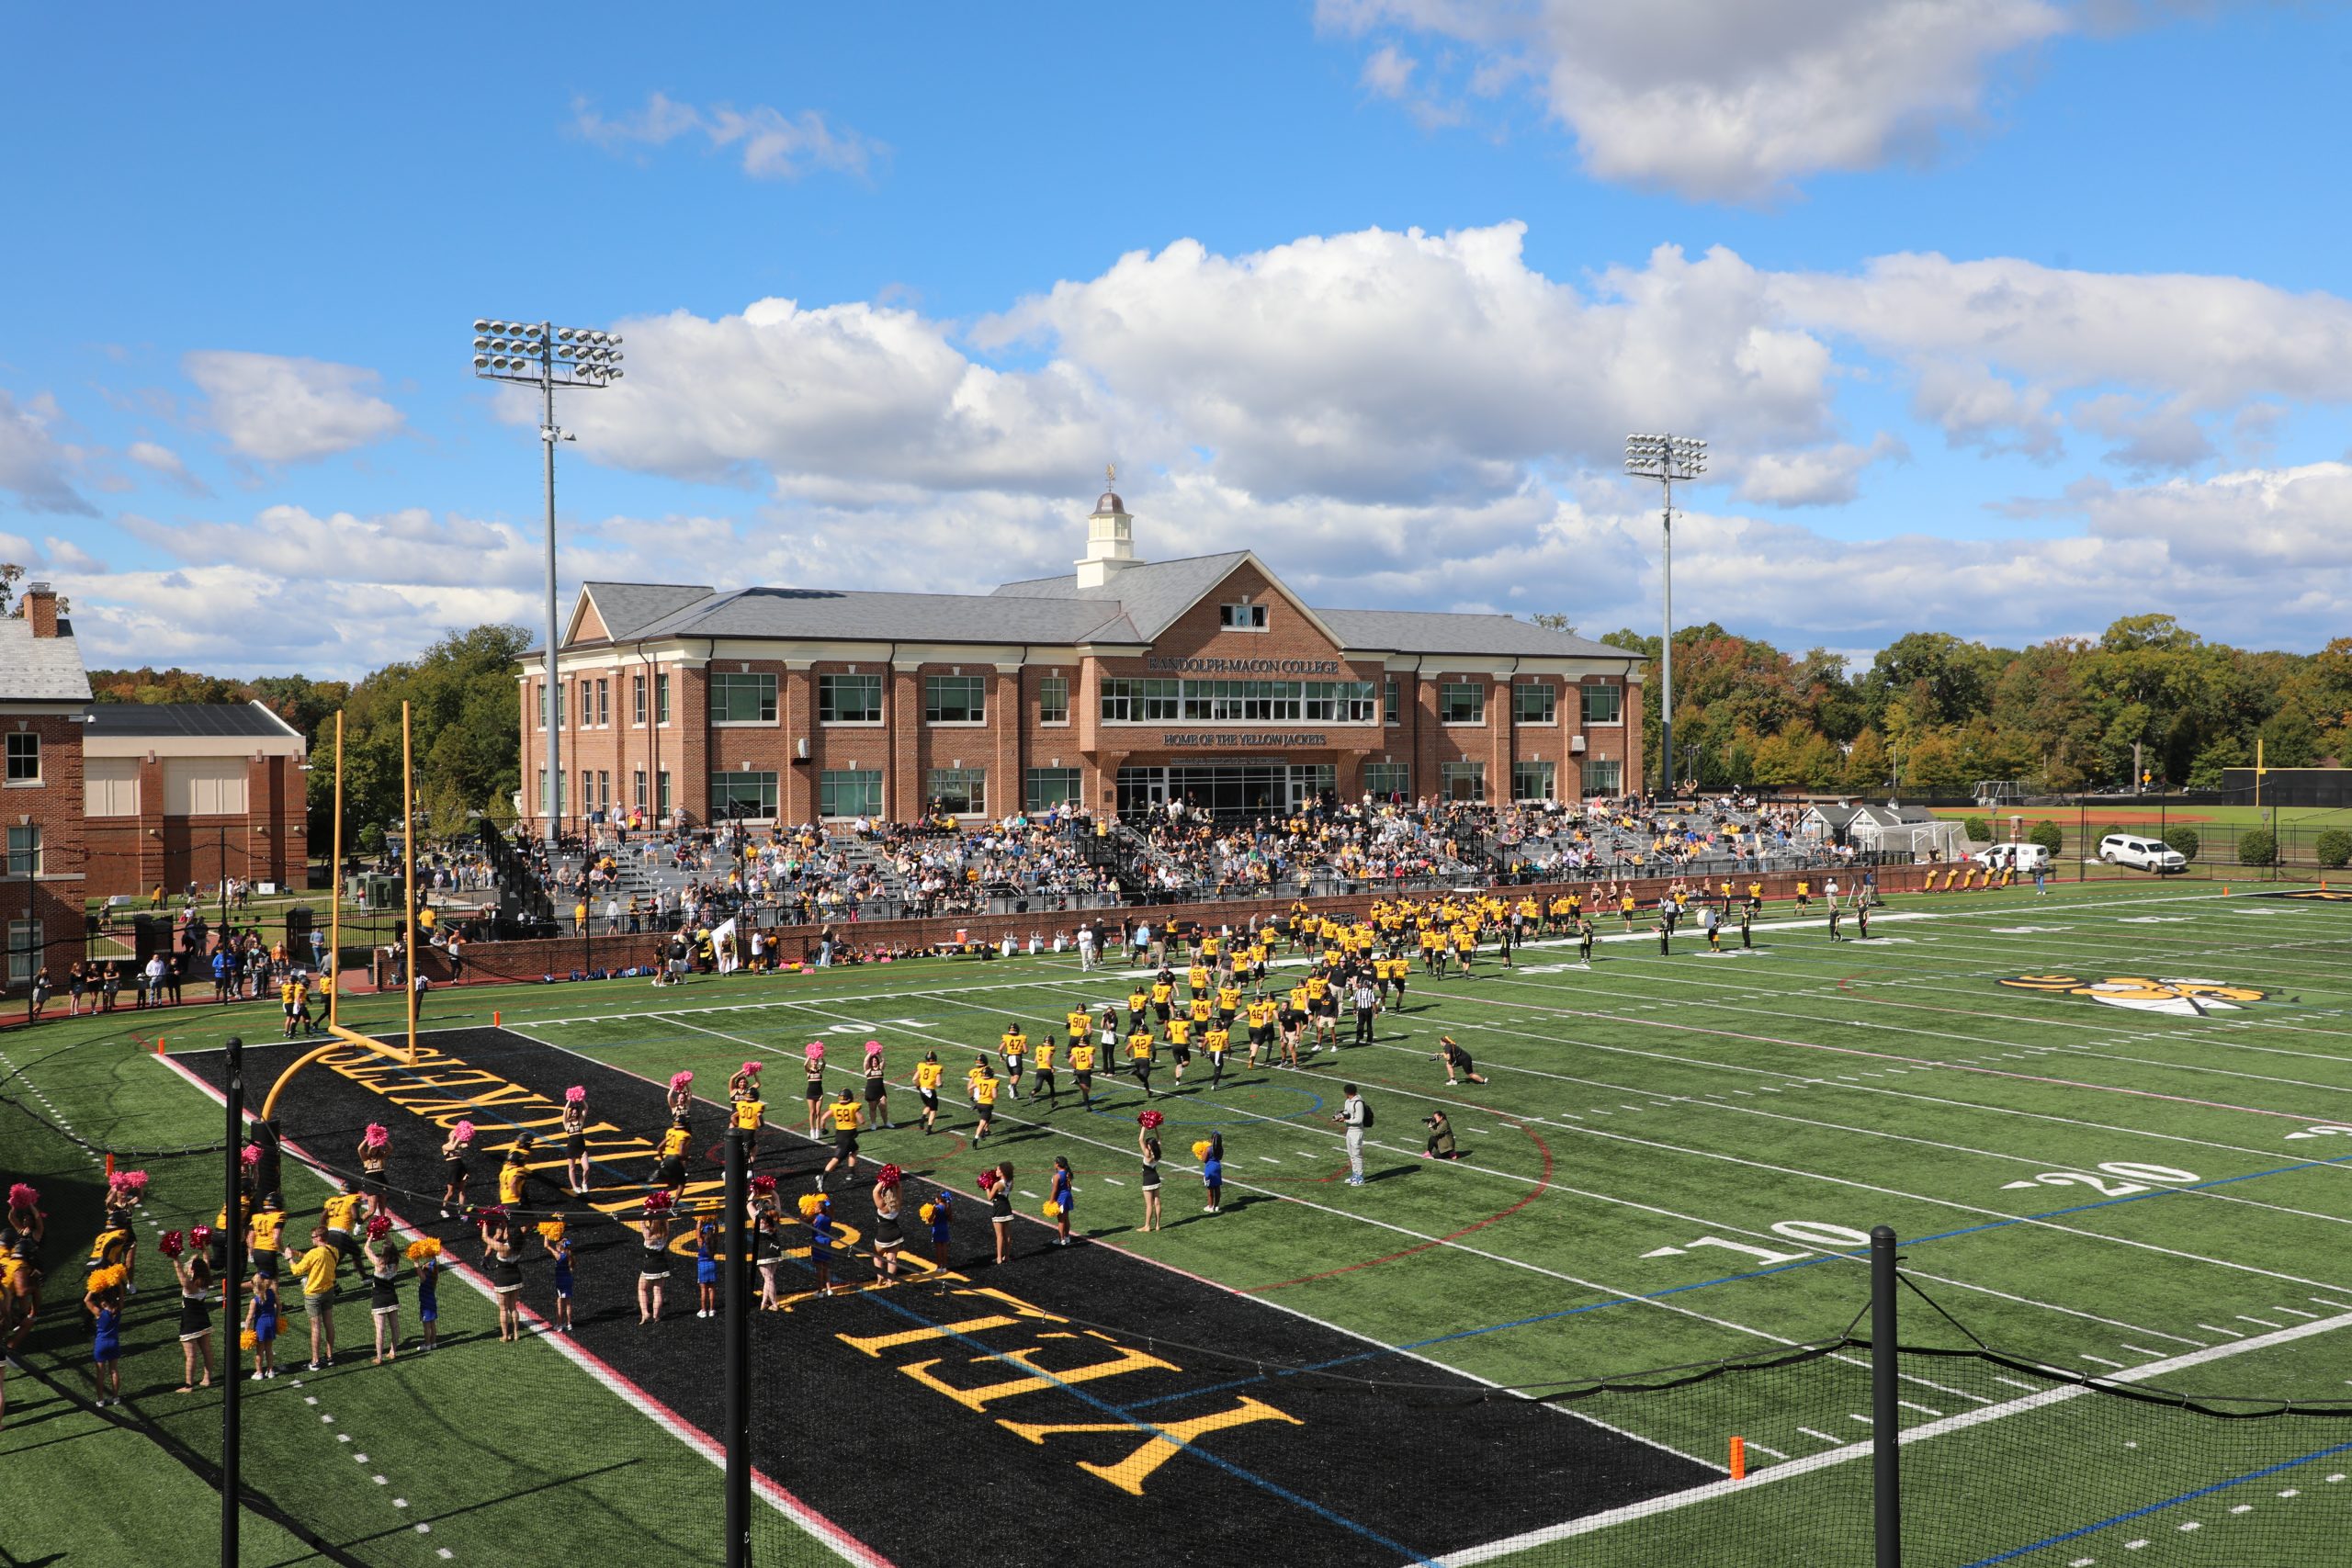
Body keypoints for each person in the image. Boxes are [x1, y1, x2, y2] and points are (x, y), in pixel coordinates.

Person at [169, 1235, 214, 1393]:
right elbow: (206, 1262)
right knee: (207, 1350)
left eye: (191, 1267)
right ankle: (207, 1379)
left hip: (190, 1323)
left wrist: (174, 1257)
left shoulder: (190, 1286)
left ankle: (188, 1385)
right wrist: (203, 1248)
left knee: (191, 1355)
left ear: (193, 1270)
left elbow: (180, 1275)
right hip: (203, 1320)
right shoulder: (205, 1280)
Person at [295, 1224, 340, 1370]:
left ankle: (315, 1361)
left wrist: (290, 1258)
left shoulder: (314, 1253)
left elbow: (297, 1270)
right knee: (329, 1322)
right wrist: (297, 1253)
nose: (311, 1240)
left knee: (315, 1326)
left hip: (314, 1294)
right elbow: (314, 1259)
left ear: (319, 1238)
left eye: (313, 1237)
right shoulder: (334, 1250)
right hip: (329, 1291)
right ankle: (330, 1356)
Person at [85, 1264, 125, 1406]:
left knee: (100, 1374)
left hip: (101, 1344)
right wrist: (118, 1284)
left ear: (102, 1301)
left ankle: (100, 1400)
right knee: (114, 1370)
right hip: (114, 1343)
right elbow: (121, 1295)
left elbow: (86, 1300)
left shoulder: (99, 1313)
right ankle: (115, 1398)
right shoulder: (118, 1309)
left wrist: (94, 1286)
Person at [366, 1217, 402, 1363]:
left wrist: (371, 1236)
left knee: (380, 1330)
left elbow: (366, 1249)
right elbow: (391, 1244)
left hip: (379, 1299)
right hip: (392, 1297)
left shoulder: (379, 1264)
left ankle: (379, 1357)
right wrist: (385, 1232)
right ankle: (393, 1351)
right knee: (395, 1326)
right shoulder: (395, 1264)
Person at [638, 1192, 673, 1324]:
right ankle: (656, 1316)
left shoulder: (649, 1236)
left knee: (642, 1289)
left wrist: (646, 1214)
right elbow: (665, 1221)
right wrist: (660, 1212)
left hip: (650, 1265)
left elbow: (642, 1223)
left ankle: (645, 1313)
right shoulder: (665, 1232)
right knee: (658, 1291)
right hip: (662, 1265)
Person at [820, 1089, 865, 1190]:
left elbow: (823, 1118)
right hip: (847, 1136)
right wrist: (856, 1113)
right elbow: (862, 1121)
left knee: (854, 1149)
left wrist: (823, 1129)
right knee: (836, 1159)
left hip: (839, 1134)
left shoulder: (835, 1107)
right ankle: (823, 1177)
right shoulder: (853, 1106)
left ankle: (851, 1173)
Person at [243, 1267, 281, 1379]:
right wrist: (278, 1317)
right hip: (272, 1323)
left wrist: (246, 1330)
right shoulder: (271, 1293)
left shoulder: (254, 1301)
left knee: (259, 1351)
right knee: (269, 1349)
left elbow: (249, 1317)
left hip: (261, 1326)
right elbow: (279, 1305)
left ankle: (259, 1372)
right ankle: (270, 1371)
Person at [871, 1165, 906, 1281]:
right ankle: (890, 1281)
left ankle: (880, 1277)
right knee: (892, 1258)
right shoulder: (898, 1202)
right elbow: (899, 1187)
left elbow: (875, 1191)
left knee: (877, 1256)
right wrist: (894, 1180)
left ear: (884, 1195)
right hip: (897, 1234)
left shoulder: (882, 1206)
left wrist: (884, 1179)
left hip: (883, 1235)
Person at [410, 1237, 442, 1352]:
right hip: (432, 1302)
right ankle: (433, 1343)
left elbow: (417, 1268)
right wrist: (433, 1252)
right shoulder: (434, 1275)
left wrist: (415, 1257)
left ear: (428, 1269)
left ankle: (427, 1344)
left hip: (426, 1304)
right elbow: (434, 1261)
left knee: (426, 1325)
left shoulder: (424, 1278)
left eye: (426, 1265)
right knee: (433, 1323)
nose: (425, 1264)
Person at [978, 1163, 1015, 1265]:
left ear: (1002, 1172)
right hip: (1007, 1207)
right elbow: (1008, 1190)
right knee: (1007, 1234)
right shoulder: (1010, 1181)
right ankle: (1006, 1257)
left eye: (998, 1170)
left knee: (999, 1235)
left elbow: (990, 1197)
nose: (996, 1171)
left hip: (999, 1208)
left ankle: (999, 1258)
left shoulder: (997, 1184)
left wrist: (986, 1187)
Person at [1334, 1086, 1369, 1187]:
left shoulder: (1358, 1103)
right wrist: (1340, 1116)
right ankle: (1355, 1174)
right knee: (1351, 1154)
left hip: (1357, 1131)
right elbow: (1347, 1113)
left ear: (1347, 1093)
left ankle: (1360, 1177)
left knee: (1357, 1154)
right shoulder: (1347, 1101)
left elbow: (1359, 1120)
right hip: (1349, 1130)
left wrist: (1345, 1121)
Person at [439, 1121, 474, 1219]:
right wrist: (458, 1138)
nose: (454, 1134)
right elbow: (452, 1147)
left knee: (462, 1191)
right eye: (452, 1133)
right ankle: (443, 1209)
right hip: (453, 1169)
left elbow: (467, 1144)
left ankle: (461, 1212)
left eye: (455, 1132)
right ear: (449, 1136)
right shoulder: (445, 1146)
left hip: (461, 1168)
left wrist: (467, 1136)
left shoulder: (459, 1145)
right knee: (450, 1192)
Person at [356, 1123, 391, 1220]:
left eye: (376, 1148)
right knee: (371, 1210)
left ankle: (383, 1228)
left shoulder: (381, 1157)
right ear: (370, 1148)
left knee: (382, 1210)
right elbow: (359, 1149)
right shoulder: (366, 1159)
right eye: (373, 1148)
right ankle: (359, 1224)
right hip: (371, 1184)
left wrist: (383, 1139)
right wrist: (368, 1138)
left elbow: (390, 1148)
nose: (374, 1150)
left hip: (382, 1182)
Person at [545, 1219, 574, 1332]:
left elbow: (546, 1245)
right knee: (568, 1303)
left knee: (559, 1303)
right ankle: (569, 1323)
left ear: (559, 1248)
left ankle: (559, 1324)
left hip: (560, 1281)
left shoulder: (558, 1256)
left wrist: (546, 1232)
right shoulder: (569, 1255)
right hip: (568, 1280)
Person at [562, 1087, 592, 1195]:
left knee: (587, 1168)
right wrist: (570, 1099)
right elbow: (565, 1110)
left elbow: (586, 1108)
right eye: (573, 1113)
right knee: (572, 1168)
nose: (574, 1114)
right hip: (571, 1147)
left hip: (581, 1148)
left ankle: (584, 1183)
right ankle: (574, 1186)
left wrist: (580, 1098)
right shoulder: (566, 1124)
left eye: (575, 1113)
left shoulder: (581, 1121)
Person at [808, 1195, 840, 1296]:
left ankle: (820, 1291)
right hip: (827, 1242)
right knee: (826, 1267)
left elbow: (803, 1221)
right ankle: (829, 1289)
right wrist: (827, 1202)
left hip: (818, 1243)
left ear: (820, 1209)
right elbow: (832, 1209)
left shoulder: (815, 1219)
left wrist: (805, 1213)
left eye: (816, 1207)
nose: (814, 1208)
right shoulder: (829, 1217)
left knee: (819, 1269)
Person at [1136, 1125, 1163, 1233]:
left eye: (1147, 1144)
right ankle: (1157, 1225)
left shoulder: (1147, 1154)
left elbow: (1140, 1140)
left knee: (1149, 1205)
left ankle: (1147, 1226)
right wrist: (1155, 1127)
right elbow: (1160, 1140)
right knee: (1157, 1202)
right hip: (1156, 1178)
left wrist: (1144, 1126)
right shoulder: (1157, 1153)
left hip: (1148, 1180)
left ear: (1150, 1145)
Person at [913, 1051, 944, 1134]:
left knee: (928, 1105)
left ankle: (922, 1118)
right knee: (933, 1110)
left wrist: (918, 1087)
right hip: (930, 1091)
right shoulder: (937, 1068)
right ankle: (929, 1129)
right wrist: (941, 1085)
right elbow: (938, 1083)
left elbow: (914, 1079)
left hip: (922, 1090)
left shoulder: (921, 1065)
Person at [862, 1041, 891, 1129]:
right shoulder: (867, 1070)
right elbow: (865, 1060)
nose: (874, 1061)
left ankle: (886, 1122)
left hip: (881, 1092)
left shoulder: (880, 1068)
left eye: (875, 1060)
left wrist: (878, 1052)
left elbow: (883, 1060)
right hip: (871, 1092)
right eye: (873, 1060)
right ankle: (873, 1124)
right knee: (873, 1109)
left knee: (883, 1108)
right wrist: (871, 1052)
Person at [926, 1186, 956, 1270]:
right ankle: (945, 1267)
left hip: (937, 1229)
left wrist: (928, 1217)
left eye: (936, 1198)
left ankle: (939, 1267)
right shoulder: (948, 1207)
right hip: (945, 1229)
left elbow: (930, 1219)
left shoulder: (936, 1208)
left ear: (939, 1199)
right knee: (945, 1248)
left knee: (938, 1249)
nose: (935, 1199)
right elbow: (950, 1220)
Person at [694, 1222, 719, 1319]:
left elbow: (697, 1230)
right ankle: (712, 1310)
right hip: (712, 1265)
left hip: (702, 1266)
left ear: (703, 1234)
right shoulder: (714, 1242)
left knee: (703, 1290)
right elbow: (716, 1232)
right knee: (711, 1289)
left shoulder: (701, 1242)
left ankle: (704, 1310)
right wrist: (714, 1221)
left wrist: (700, 1219)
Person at [801, 1044, 828, 1136]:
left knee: (818, 1112)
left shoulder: (820, 1071)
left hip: (819, 1093)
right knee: (812, 1112)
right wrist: (810, 1055)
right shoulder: (809, 1071)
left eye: (815, 1061)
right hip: (810, 1094)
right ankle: (812, 1130)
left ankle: (817, 1130)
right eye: (813, 1061)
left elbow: (824, 1063)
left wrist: (820, 1055)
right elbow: (805, 1064)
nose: (814, 1062)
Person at [1048, 1156, 1074, 1247]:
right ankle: (1067, 1237)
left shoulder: (1057, 1176)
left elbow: (1054, 1190)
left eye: (1055, 1162)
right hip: (1068, 1196)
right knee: (1066, 1218)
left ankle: (1061, 1239)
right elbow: (1070, 1187)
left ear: (1058, 1164)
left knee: (1061, 1220)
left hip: (1061, 1198)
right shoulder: (1068, 1173)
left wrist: (1050, 1202)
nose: (1054, 1164)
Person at [1200, 1132, 1224, 1214]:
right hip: (1217, 1168)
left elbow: (1203, 1160)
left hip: (1210, 1169)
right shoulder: (1220, 1149)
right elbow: (1220, 1157)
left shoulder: (1208, 1149)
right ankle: (1216, 1206)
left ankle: (1210, 1207)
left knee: (1210, 1189)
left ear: (1211, 1140)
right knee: (1217, 1187)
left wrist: (1201, 1153)